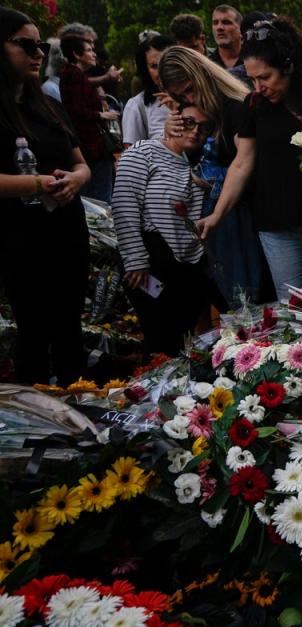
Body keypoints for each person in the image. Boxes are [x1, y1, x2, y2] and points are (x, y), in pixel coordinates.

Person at [197, 19, 302, 298]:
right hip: (277, 226)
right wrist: (217, 215)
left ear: (288, 67)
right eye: (252, 79)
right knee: (292, 307)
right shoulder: (255, 106)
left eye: (265, 77)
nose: (258, 86)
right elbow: (242, 163)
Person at [0, 8, 91, 384]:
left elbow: (82, 164)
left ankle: (79, 413)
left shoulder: (48, 105)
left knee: (70, 328)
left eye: (40, 45)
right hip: (21, 240)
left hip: (68, 233)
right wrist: (38, 183)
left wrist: (75, 180)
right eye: (26, 44)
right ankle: (35, 427)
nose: (38, 53)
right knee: (34, 333)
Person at [158, 46, 261, 307]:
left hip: (245, 215)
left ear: (202, 74)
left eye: (190, 89)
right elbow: (187, 156)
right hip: (219, 219)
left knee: (250, 296)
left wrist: (214, 179)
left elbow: (245, 162)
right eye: (181, 96)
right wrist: (173, 133)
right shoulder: (195, 110)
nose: (189, 98)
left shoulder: (234, 107)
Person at [113, 104, 217, 356]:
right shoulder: (144, 151)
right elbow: (124, 205)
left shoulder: (202, 163)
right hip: (149, 256)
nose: (194, 132)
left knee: (180, 336)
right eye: (188, 122)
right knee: (160, 336)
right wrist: (136, 260)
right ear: (173, 120)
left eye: (203, 128)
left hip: (187, 262)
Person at [59, 34, 117, 203]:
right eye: (89, 50)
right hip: (92, 147)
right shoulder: (73, 75)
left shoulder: (74, 75)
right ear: (76, 54)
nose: (94, 54)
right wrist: (101, 114)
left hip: (88, 146)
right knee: (100, 198)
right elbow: (76, 111)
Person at [122, 33, 174, 147]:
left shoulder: (196, 96)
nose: (161, 71)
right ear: (145, 69)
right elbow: (132, 157)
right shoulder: (137, 106)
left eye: (167, 63)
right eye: (154, 66)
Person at [210, 5, 243, 70]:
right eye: (215, 23)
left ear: (241, 28)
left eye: (226, 22)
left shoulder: (255, 60)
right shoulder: (207, 64)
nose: (219, 27)